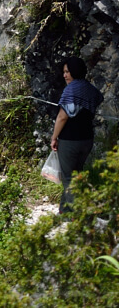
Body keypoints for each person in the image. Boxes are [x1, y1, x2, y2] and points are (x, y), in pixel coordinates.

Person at [50, 56, 104, 214]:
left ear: (75, 71)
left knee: (68, 178)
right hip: (87, 139)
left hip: (70, 140)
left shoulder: (71, 89)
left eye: (67, 72)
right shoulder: (89, 88)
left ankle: (78, 216)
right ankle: (64, 212)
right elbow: (99, 98)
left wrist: (54, 137)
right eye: (64, 72)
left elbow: (62, 116)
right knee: (75, 174)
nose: (64, 75)